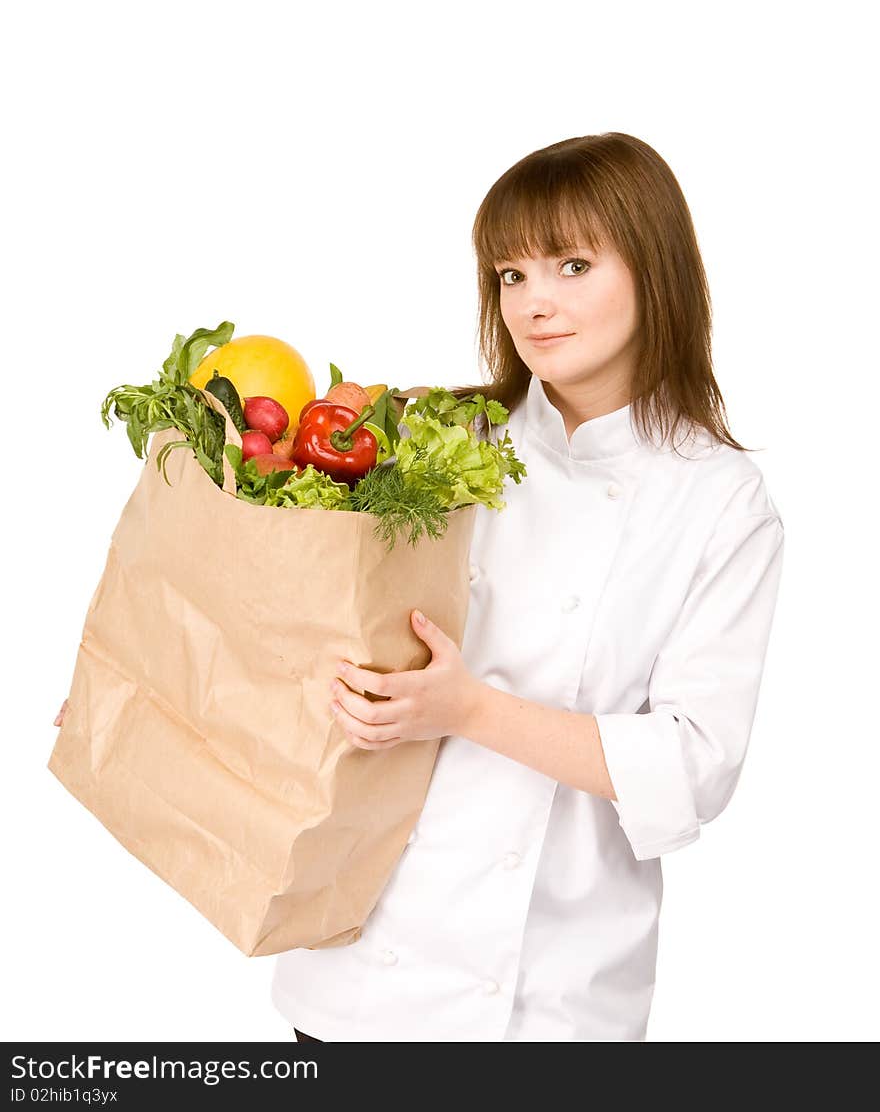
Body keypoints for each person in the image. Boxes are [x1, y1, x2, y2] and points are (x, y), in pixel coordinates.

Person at [56, 132, 786, 1042]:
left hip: (555, 998)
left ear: (658, 269)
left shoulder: (720, 500)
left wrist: (466, 710)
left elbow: (691, 765)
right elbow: (285, 622)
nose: (535, 303)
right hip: (362, 965)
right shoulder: (437, 440)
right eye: (511, 274)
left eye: (571, 264)